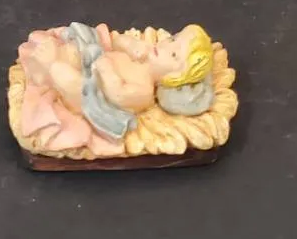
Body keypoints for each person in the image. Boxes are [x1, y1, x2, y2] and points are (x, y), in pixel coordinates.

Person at [16, 24, 215, 157]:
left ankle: (50, 66)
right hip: (91, 64)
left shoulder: (145, 91)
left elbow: (118, 95)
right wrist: (131, 44)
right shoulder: (141, 57)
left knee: (71, 79)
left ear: (174, 78)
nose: (164, 47)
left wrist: (108, 71)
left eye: (173, 55)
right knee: (79, 43)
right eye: (172, 40)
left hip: (93, 95)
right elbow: (116, 43)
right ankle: (43, 71)